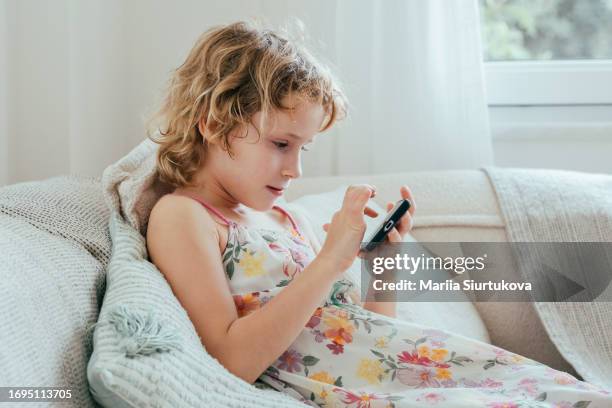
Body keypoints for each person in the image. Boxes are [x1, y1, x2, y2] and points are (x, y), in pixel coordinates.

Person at [145, 21, 611, 408]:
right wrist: (328, 262)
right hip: (372, 394)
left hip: (401, 371)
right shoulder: (184, 217)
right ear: (212, 123)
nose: (295, 169)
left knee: (570, 394)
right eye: (281, 144)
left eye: (304, 147)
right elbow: (229, 359)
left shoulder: (280, 219)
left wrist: (379, 263)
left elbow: (363, 332)